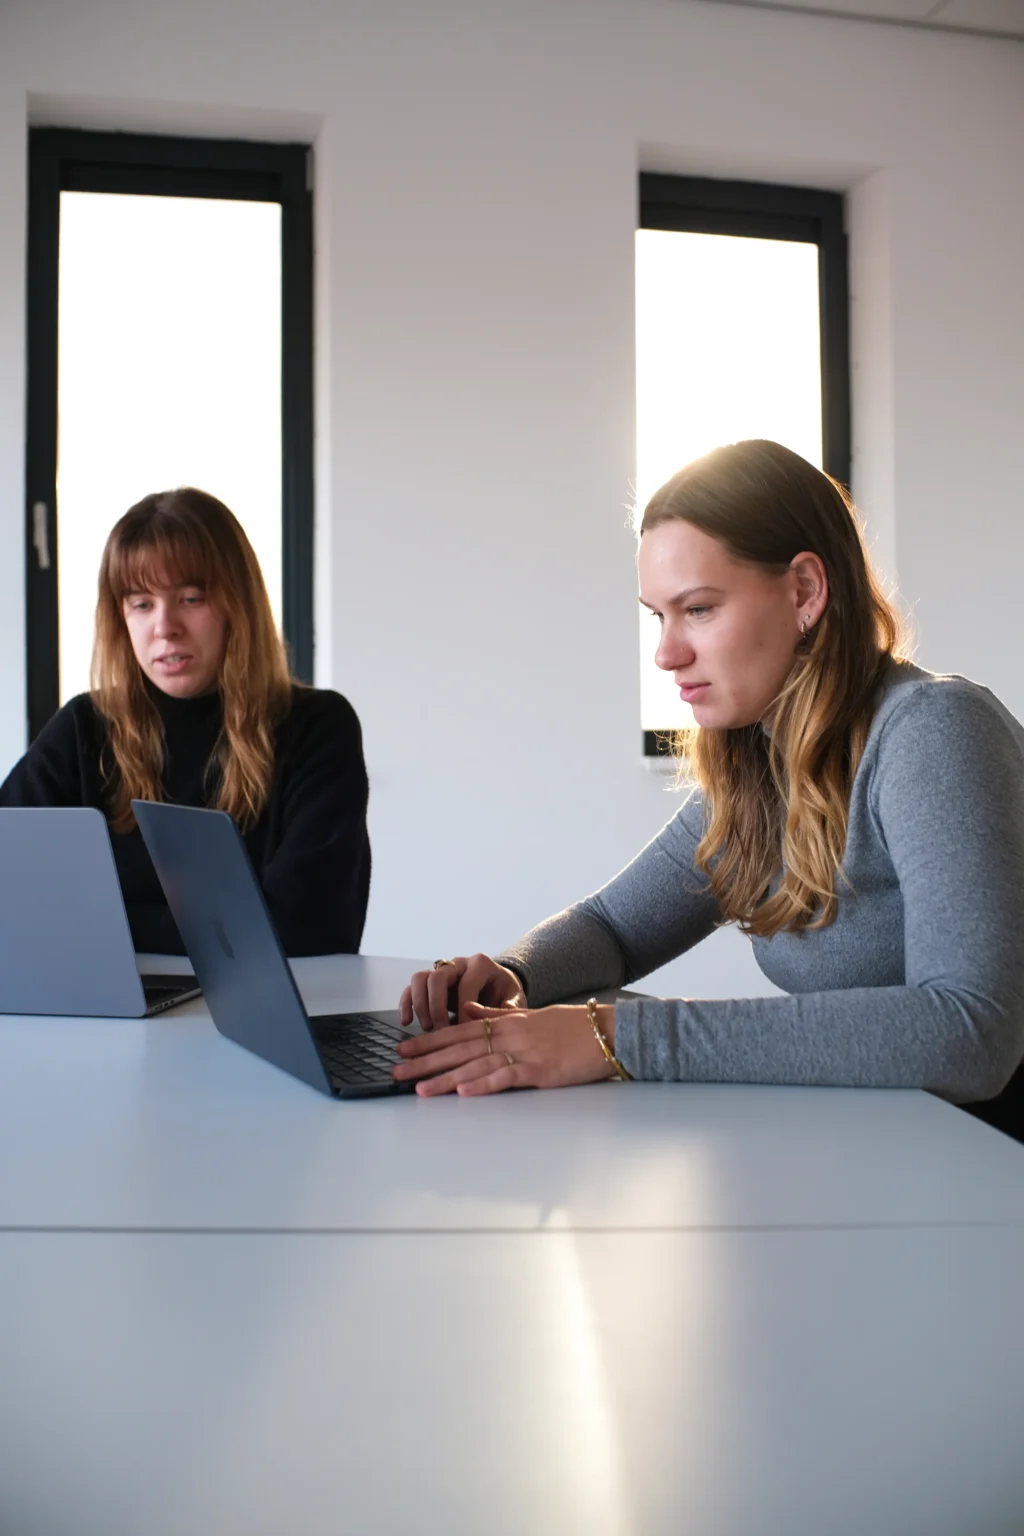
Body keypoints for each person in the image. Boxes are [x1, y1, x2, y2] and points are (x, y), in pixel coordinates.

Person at [394, 439, 1024, 1141]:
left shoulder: (933, 731)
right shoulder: (759, 761)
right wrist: (514, 975)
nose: (666, 653)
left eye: (697, 609)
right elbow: (613, 929)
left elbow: (973, 1031)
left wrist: (615, 1038)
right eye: (657, 615)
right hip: (881, 1147)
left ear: (805, 591)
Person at [0, 487, 370, 956]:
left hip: (266, 1018)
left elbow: (309, 928)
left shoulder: (318, 727)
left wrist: (97, 922)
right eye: (141, 603)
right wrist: (220, 925)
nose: (165, 626)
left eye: (191, 598)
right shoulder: (84, 727)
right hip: (106, 1017)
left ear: (238, 604)